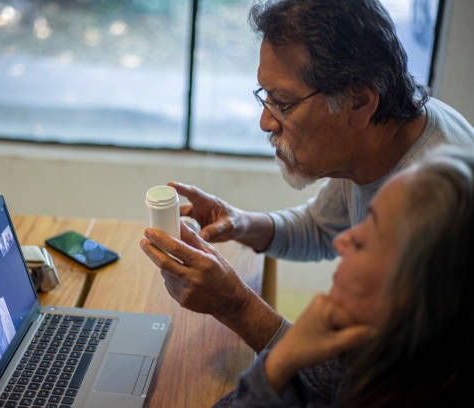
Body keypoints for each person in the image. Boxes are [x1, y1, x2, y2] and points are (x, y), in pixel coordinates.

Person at [140, 0, 474, 354]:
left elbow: (348, 388)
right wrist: (241, 223)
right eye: (265, 96)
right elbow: (321, 227)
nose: (265, 122)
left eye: (282, 103)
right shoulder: (384, 131)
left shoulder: (432, 221)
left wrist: (235, 306)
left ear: (359, 101)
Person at [216, 145, 474, 407]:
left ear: (414, 291)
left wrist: (280, 362)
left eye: (365, 241)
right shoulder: (374, 358)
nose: (342, 242)